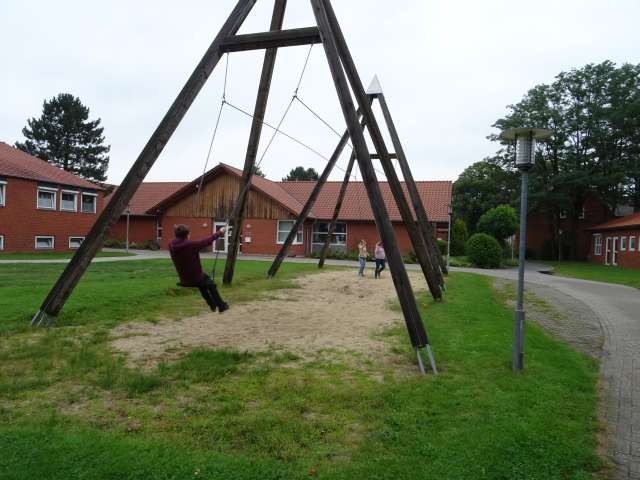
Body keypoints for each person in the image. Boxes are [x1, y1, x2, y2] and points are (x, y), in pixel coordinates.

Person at [169, 224, 229, 313]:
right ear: (187, 235)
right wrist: (220, 232)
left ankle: (212, 305)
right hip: (195, 277)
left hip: (184, 278)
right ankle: (221, 306)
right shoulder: (190, 245)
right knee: (211, 285)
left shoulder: (170, 244)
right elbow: (206, 241)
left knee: (203, 285)